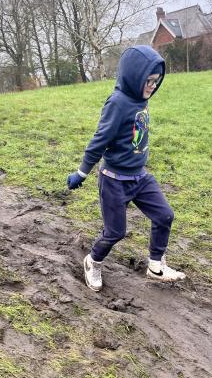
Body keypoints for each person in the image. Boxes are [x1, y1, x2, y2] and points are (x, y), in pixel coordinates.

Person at [67, 45, 185, 292]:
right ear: (134, 76)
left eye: (156, 80)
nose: (152, 86)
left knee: (164, 215)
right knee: (115, 232)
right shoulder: (118, 103)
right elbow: (100, 139)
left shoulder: (141, 98)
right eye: (148, 80)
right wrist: (82, 172)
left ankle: (156, 266)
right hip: (114, 180)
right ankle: (93, 261)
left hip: (140, 178)